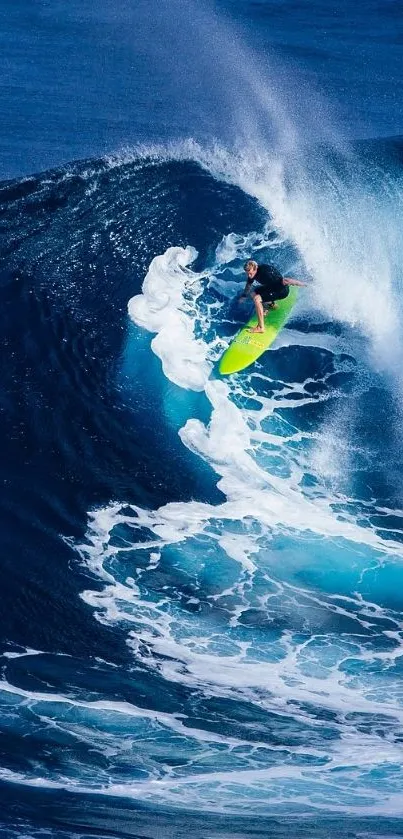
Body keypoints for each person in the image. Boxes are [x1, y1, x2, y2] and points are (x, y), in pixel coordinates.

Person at [239, 260, 307, 333]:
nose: (249, 276)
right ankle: (270, 305)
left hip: (281, 291)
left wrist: (303, 284)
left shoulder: (266, 273)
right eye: (247, 274)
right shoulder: (253, 272)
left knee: (257, 299)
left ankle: (260, 327)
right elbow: (249, 284)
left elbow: (286, 280)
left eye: (250, 273)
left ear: (256, 268)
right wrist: (244, 296)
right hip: (270, 287)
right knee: (253, 293)